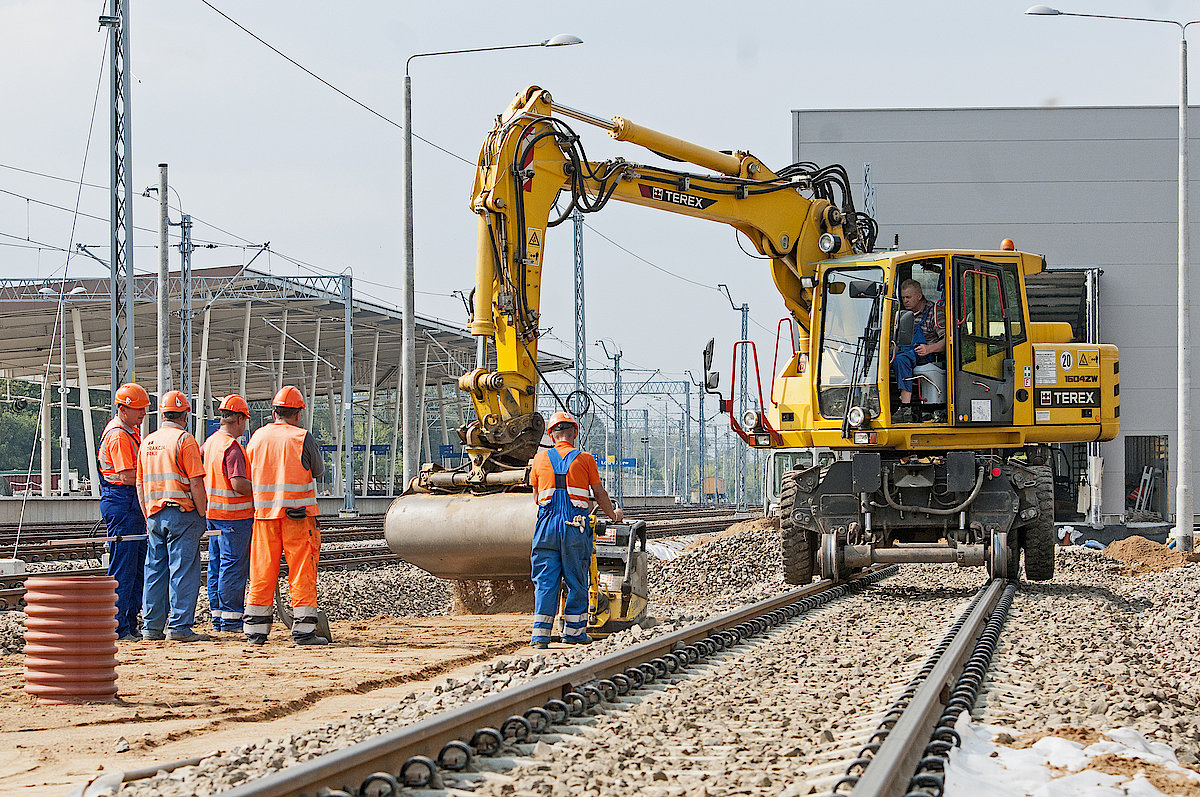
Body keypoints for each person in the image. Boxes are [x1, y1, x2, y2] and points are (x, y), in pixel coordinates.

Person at [528, 411, 623, 649]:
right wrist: (614, 515)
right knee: (576, 579)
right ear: (575, 433)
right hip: (574, 526)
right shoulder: (585, 459)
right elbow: (599, 494)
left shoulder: (539, 460)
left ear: (550, 435)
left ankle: (540, 637)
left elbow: (536, 497)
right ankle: (574, 633)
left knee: (545, 581)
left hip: (546, 527)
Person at [243, 386, 327, 646]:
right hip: (298, 517)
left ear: (274, 411)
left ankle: (255, 631)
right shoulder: (302, 438)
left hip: (264, 516)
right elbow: (318, 471)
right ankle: (303, 631)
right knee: (302, 571)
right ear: (299, 413)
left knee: (261, 572)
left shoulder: (257, 437)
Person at [136, 390, 209, 643]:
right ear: (185, 415)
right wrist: (202, 513)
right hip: (182, 513)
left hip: (155, 513)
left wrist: (148, 514)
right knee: (183, 570)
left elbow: (140, 484)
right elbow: (196, 483)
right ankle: (179, 627)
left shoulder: (147, 441)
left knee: (155, 570)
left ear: (162, 414)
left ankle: (151, 627)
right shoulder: (184, 440)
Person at [99, 383, 150, 641]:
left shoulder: (130, 432)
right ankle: (118, 626)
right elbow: (127, 475)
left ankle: (129, 624)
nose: (142, 413)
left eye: (143, 409)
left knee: (135, 566)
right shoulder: (119, 435)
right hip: (122, 501)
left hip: (127, 503)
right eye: (138, 409)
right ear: (123, 409)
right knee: (124, 568)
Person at [202, 395, 255, 634]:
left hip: (213, 513)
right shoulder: (232, 447)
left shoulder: (210, 443)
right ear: (240, 419)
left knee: (216, 565)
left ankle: (218, 617)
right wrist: (263, 490)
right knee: (233, 567)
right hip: (234, 516)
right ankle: (232, 619)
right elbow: (238, 483)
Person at [893, 278, 946, 422]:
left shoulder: (934, 313)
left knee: (900, 360)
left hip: (926, 356)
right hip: (905, 351)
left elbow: (948, 341)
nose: (905, 301)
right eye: (903, 298)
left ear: (919, 296)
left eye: (908, 297)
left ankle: (905, 406)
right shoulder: (901, 315)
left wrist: (929, 348)